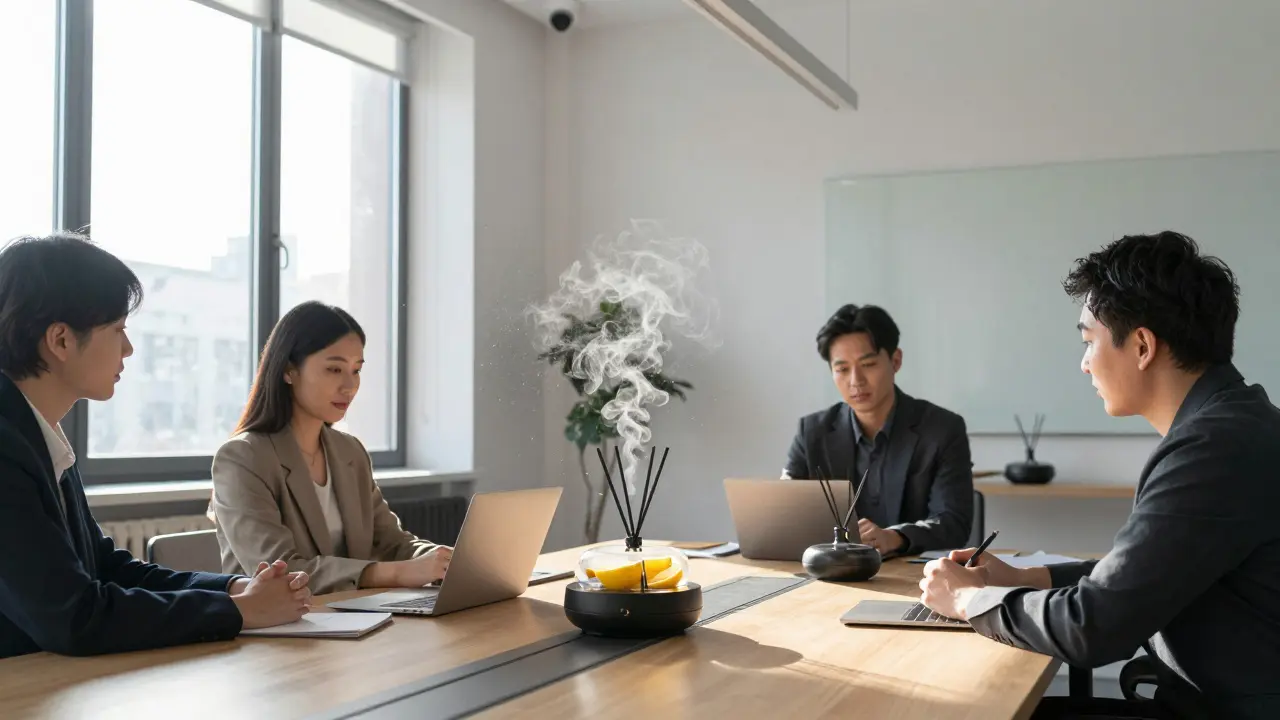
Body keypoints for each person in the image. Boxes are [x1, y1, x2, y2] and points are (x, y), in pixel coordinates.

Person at [919, 232, 1280, 719]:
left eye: (1089, 340)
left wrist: (970, 600)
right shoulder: (1235, 421)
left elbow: (1093, 627)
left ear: (1143, 346)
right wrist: (1027, 577)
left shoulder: (1213, 448)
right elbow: (1146, 577)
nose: (1084, 363)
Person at [0, 234, 310, 659]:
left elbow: (105, 568)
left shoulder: (37, 433)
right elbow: (75, 618)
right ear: (61, 340)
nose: (128, 348)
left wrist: (235, 588)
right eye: (117, 330)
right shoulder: (6, 445)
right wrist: (239, 611)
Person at [211, 301, 452, 596]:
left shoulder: (349, 451)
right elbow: (281, 570)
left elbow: (392, 542)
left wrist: (443, 560)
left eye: (356, 370)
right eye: (334, 369)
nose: (349, 385)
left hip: (352, 619)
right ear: (289, 370)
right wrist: (398, 572)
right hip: (278, 629)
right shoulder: (242, 458)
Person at [783, 304, 973, 555]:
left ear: (895, 360)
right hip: (833, 576)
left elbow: (952, 522)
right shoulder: (812, 432)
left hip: (914, 578)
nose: (855, 381)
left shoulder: (942, 430)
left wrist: (895, 537)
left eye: (868, 364)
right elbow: (784, 516)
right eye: (842, 369)